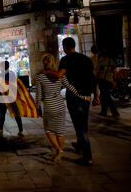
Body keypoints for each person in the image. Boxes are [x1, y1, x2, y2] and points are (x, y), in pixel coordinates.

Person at [42, 37, 100, 166]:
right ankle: (80, 146)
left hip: (74, 98)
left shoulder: (66, 59)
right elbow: (94, 78)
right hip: (86, 97)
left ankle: (88, 156)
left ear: (64, 47)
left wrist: (45, 71)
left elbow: (59, 75)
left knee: (81, 128)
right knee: (82, 123)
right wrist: (97, 96)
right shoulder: (86, 59)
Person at [35, 54, 91, 163]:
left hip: (49, 106)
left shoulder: (40, 76)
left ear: (44, 63)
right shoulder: (60, 76)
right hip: (60, 105)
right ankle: (58, 154)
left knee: (48, 130)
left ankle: (59, 150)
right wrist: (83, 97)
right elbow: (70, 88)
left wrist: (38, 107)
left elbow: (38, 95)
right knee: (60, 131)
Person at [0, 61, 24, 137]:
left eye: (0, 66)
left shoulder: (1, 75)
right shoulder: (12, 74)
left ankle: (0, 129)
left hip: (4, 97)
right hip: (12, 97)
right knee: (16, 113)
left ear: (2, 67)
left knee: (2, 114)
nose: (0, 68)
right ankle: (21, 130)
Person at [95, 48, 119, 117]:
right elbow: (115, 72)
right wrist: (115, 81)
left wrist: (95, 81)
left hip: (102, 81)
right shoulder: (111, 61)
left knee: (106, 96)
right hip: (110, 81)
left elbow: (96, 72)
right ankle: (104, 111)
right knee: (104, 96)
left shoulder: (100, 61)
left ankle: (114, 112)